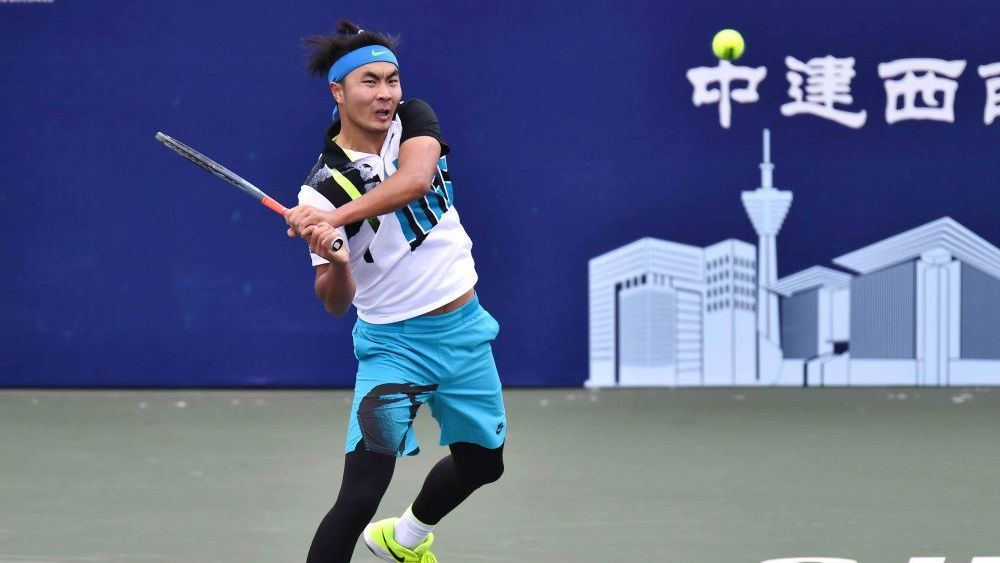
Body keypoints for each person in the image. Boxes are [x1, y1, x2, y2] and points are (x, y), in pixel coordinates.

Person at [284, 21, 507, 563]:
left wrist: (335, 220)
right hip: (395, 348)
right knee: (360, 496)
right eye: (370, 82)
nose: (385, 93)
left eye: (392, 79)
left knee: (484, 463)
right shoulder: (321, 189)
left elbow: (416, 180)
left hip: (464, 329)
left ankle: (403, 539)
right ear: (338, 92)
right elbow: (334, 300)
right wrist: (338, 261)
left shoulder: (412, 120)